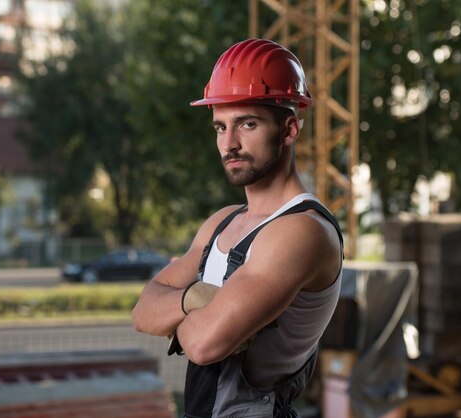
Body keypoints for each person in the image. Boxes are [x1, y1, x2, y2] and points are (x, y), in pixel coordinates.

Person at [132, 38, 343, 418]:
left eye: (248, 124)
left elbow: (203, 345)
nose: (229, 144)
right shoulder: (223, 221)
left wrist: (179, 309)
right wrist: (195, 299)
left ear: (290, 129)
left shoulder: (302, 231)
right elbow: (142, 311)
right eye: (219, 127)